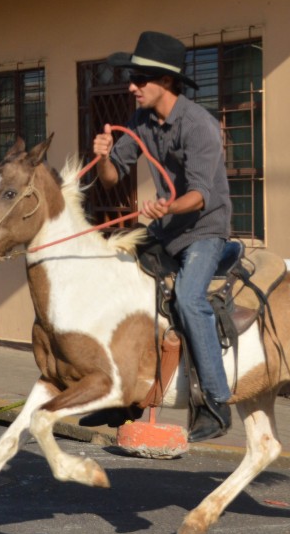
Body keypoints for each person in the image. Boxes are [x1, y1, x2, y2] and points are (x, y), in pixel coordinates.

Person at [92, 31, 234, 441]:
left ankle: (214, 404)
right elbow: (112, 177)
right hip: (165, 228)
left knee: (189, 300)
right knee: (117, 280)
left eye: (141, 80)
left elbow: (200, 196)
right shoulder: (139, 121)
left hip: (205, 230)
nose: (131, 87)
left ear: (166, 82)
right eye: (132, 78)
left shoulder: (199, 125)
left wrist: (167, 206)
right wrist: (102, 156)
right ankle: (120, 398)